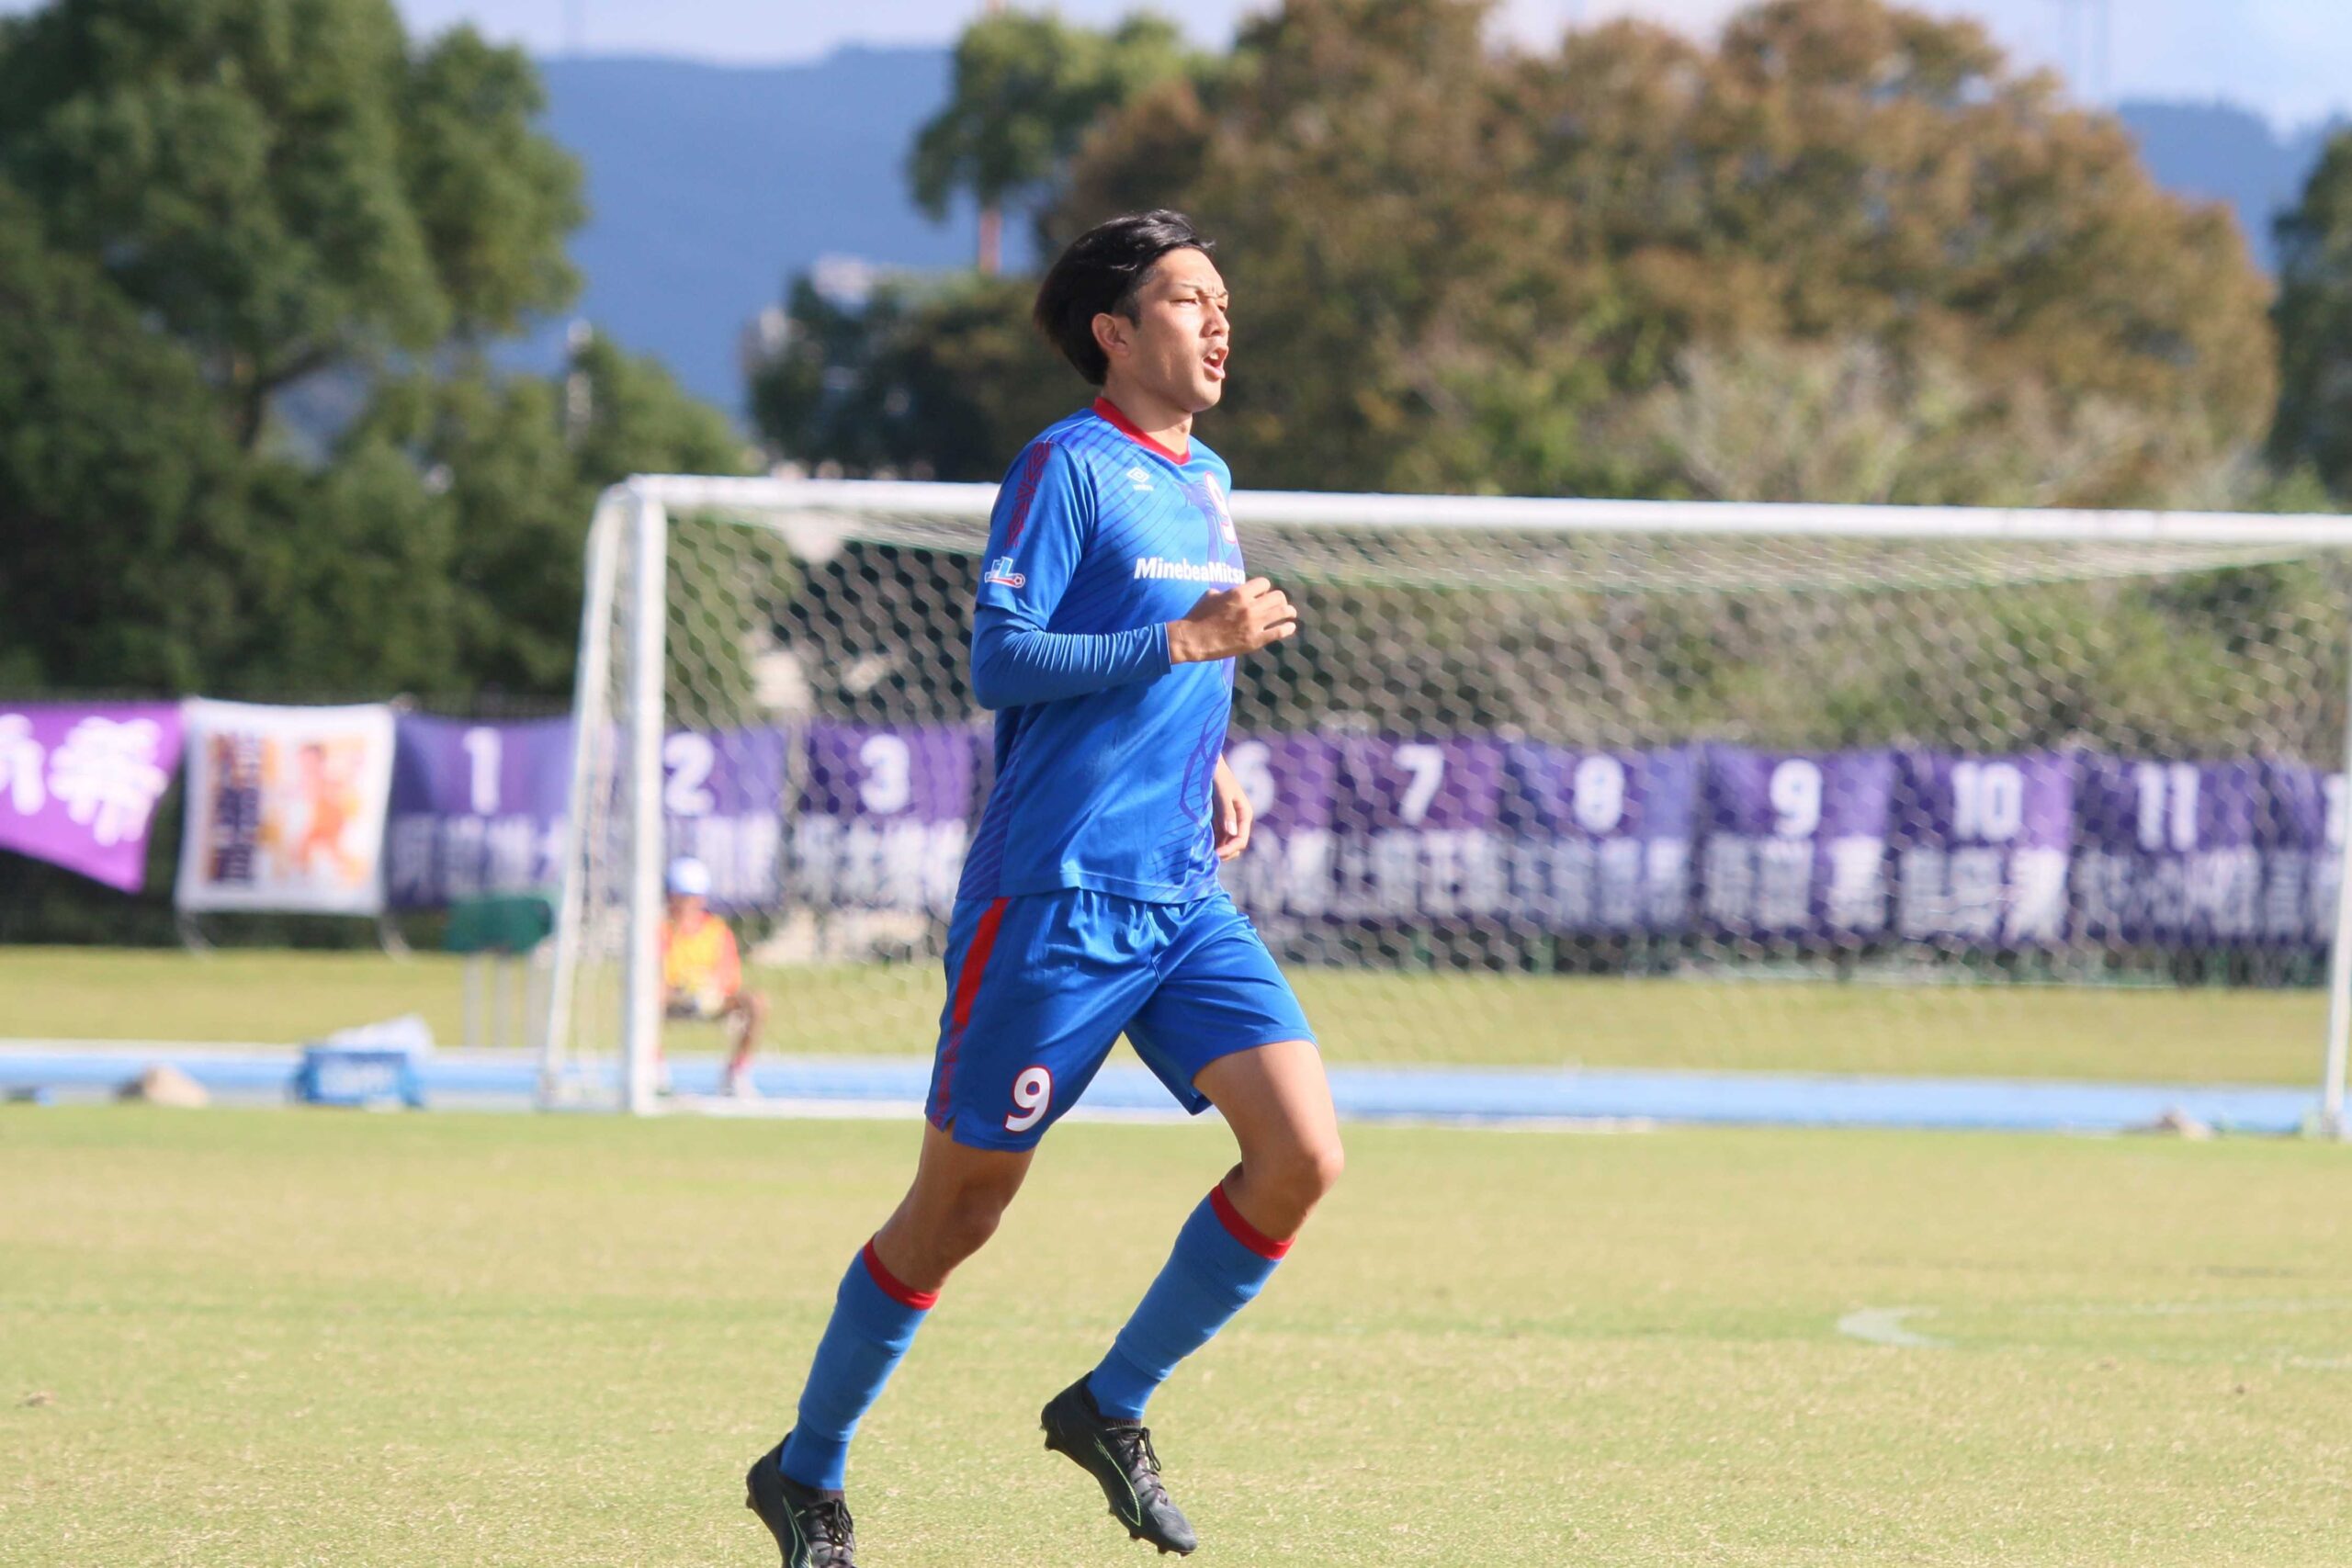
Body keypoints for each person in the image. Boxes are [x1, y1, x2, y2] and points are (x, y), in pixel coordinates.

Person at [742, 210, 1342, 1567]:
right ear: (1114, 333)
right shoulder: (1063, 466)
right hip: (1055, 895)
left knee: (1302, 1155)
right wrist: (1186, 638)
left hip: (1180, 897)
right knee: (957, 1213)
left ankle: (1109, 1404)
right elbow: (1002, 660)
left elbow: (1166, 663)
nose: (1218, 320)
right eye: (1188, 299)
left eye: (1223, 298)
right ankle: (805, 1470)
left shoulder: (1208, 476)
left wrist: (1210, 753)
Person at [662, 855, 765, 1097]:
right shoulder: (661, 931)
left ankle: (736, 1074)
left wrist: (709, 990)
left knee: (756, 1002)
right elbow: (656, 977)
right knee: (647, 999)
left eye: (692, 898)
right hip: (672, 1000)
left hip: (712, 999)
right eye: (680, 898)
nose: (686, 905)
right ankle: (654, 1070)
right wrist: (681, 992)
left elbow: (730, 978)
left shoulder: (716, 931)